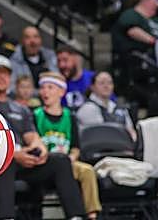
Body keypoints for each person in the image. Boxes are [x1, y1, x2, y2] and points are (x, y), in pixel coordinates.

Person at [0, 55, 85, 220]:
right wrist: (14, 154)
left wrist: (40, 150)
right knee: (6, 160)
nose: (1, 78)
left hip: (21, 161)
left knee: (61, 161)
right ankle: (7, 217)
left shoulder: (20, 108)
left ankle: (76, 217)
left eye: (5, 74)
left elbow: (31, 136)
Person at [34, 72, 100, 220]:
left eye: (50, 87)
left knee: (87, 171)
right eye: (43, 88)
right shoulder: (36, 115)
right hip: (45, 163)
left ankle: (92, 215)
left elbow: (76, 147)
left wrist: (70, 158)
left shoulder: (70, 116)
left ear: (61, 91)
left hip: (67, 162)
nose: (45, 92)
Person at [74, 71, 136, 141]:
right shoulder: (87, 108)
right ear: (92, 87)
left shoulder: (120, 108)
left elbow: (131, 132)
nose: (106, 86)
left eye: (109, 83)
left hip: (122, 148)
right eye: (102, 83)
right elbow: (100, 134)